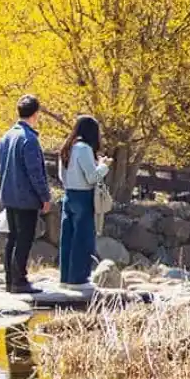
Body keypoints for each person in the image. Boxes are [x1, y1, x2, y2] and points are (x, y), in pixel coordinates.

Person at [0, 96, 51, 295]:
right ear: (36, 114)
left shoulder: (7, 136)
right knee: (24, 239)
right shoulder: (29, 139)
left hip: (9, 194)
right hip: (26, 197)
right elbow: (35, 172)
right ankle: (20, 280)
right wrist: (45, 196)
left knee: (13, 238)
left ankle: (10, 280)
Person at [57, 116, 111, 286]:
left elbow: (61, 176)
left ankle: (65, 278)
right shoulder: (84, 148)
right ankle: (79, 279)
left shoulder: (67, 147)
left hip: (68, 195)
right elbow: (91, 177)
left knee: (68, 238)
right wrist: (104, 166)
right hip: (83, 196)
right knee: (83, 239)